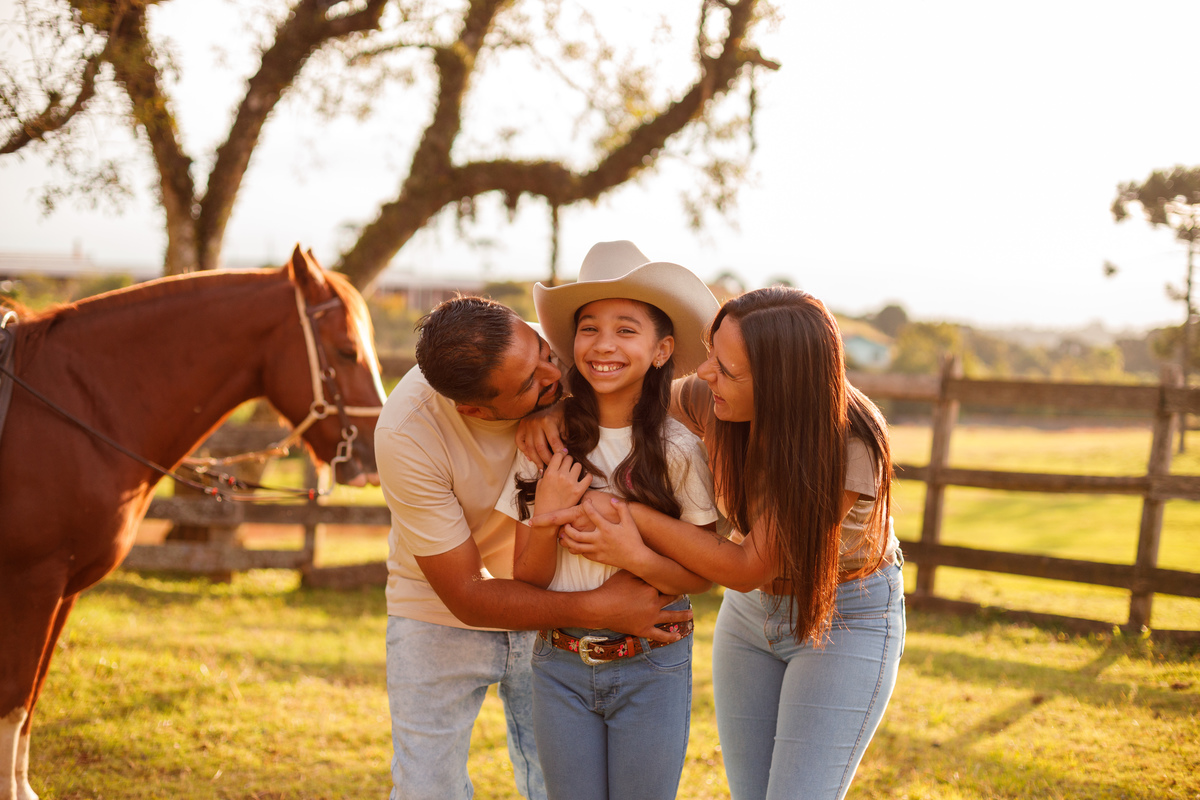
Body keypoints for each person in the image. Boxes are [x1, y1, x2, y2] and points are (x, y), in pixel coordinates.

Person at [529, 287, 905, 800]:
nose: (705, 374)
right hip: (750, 617)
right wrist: (558, 412)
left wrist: (630, 516)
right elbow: (626, 398)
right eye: (711, 354)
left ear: (779, 384)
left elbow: (748, 564)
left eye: (726, 369)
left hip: (843, 618)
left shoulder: (848, 445)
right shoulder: (711, 398)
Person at [374, 294, 692, 800]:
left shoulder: (565, 347)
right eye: (530, 385)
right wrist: (596, 609)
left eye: (545, 354)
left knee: (553, 785)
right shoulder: (406, 434)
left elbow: (630, 389)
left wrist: (564, 403)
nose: (555, 372)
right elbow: (464, 592)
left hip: (555, 602)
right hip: (440, 611)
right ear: (476, 410)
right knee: (426, 787)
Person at [494, 241, 720, 799]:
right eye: (589, 328)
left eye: (626, 330)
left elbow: (701, 576)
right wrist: (546, 516)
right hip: (558, 664)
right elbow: (528, 579)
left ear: (662, 348)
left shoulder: (680, 450)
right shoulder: (545, 442)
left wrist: (633, 555)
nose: (604, 345)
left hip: (654, 663)